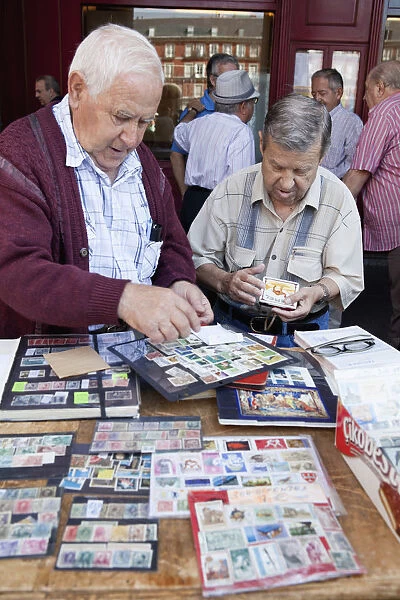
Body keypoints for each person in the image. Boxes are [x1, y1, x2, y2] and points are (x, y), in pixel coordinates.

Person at [0, 24, 213, 341]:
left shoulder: (145, 163)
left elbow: (169, 241)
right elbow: (18, 272)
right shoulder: (21, 153)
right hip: (58, 363)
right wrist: (123, 299)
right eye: (121, 116)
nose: (132, 139)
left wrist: (177, 282)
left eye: (144, 122)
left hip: (142, 355)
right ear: (77, 90)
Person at [188, 94, 364, 347]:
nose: (286, 183)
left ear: (322, 156)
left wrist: (317, 292)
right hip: (232, 332)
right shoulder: (233, 189)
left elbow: (348, 277)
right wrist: (224, 281)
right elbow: (195, 257)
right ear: (262, 144)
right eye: (276, 166)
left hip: (305, 336)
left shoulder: (338, 199)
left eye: (301, 171)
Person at [342, 60, 400, 349]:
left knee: (376, 312)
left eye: (366, 91)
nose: (364, 99)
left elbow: (358, 174)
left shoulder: (384, 114)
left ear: (380, 87)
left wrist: (328, 214)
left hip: (388, 233)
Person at [173, 70, 259, 233]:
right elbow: (239, 184)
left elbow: (178, 134)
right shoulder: (241, 131)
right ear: (243, 106)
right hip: (218, 205)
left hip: (191, 202)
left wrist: (192, 111)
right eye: (253, 102)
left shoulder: (199, 123)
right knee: (211, 257)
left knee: (189, 255)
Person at [169, 53, 239, 197]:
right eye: (228, 78)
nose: (235, 83)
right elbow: (176, 154)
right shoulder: (194, 111)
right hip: (202, 195)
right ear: (213, 80)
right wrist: (184, 192)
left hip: (229, 195)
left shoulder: (241, 108)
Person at [311, 68, 363, 179]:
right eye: (313, 94)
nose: (317, 98)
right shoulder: (309, 118)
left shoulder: (351, 122)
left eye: (322, 93)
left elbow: (352, 164)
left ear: (338, 93)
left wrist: (324, 177)